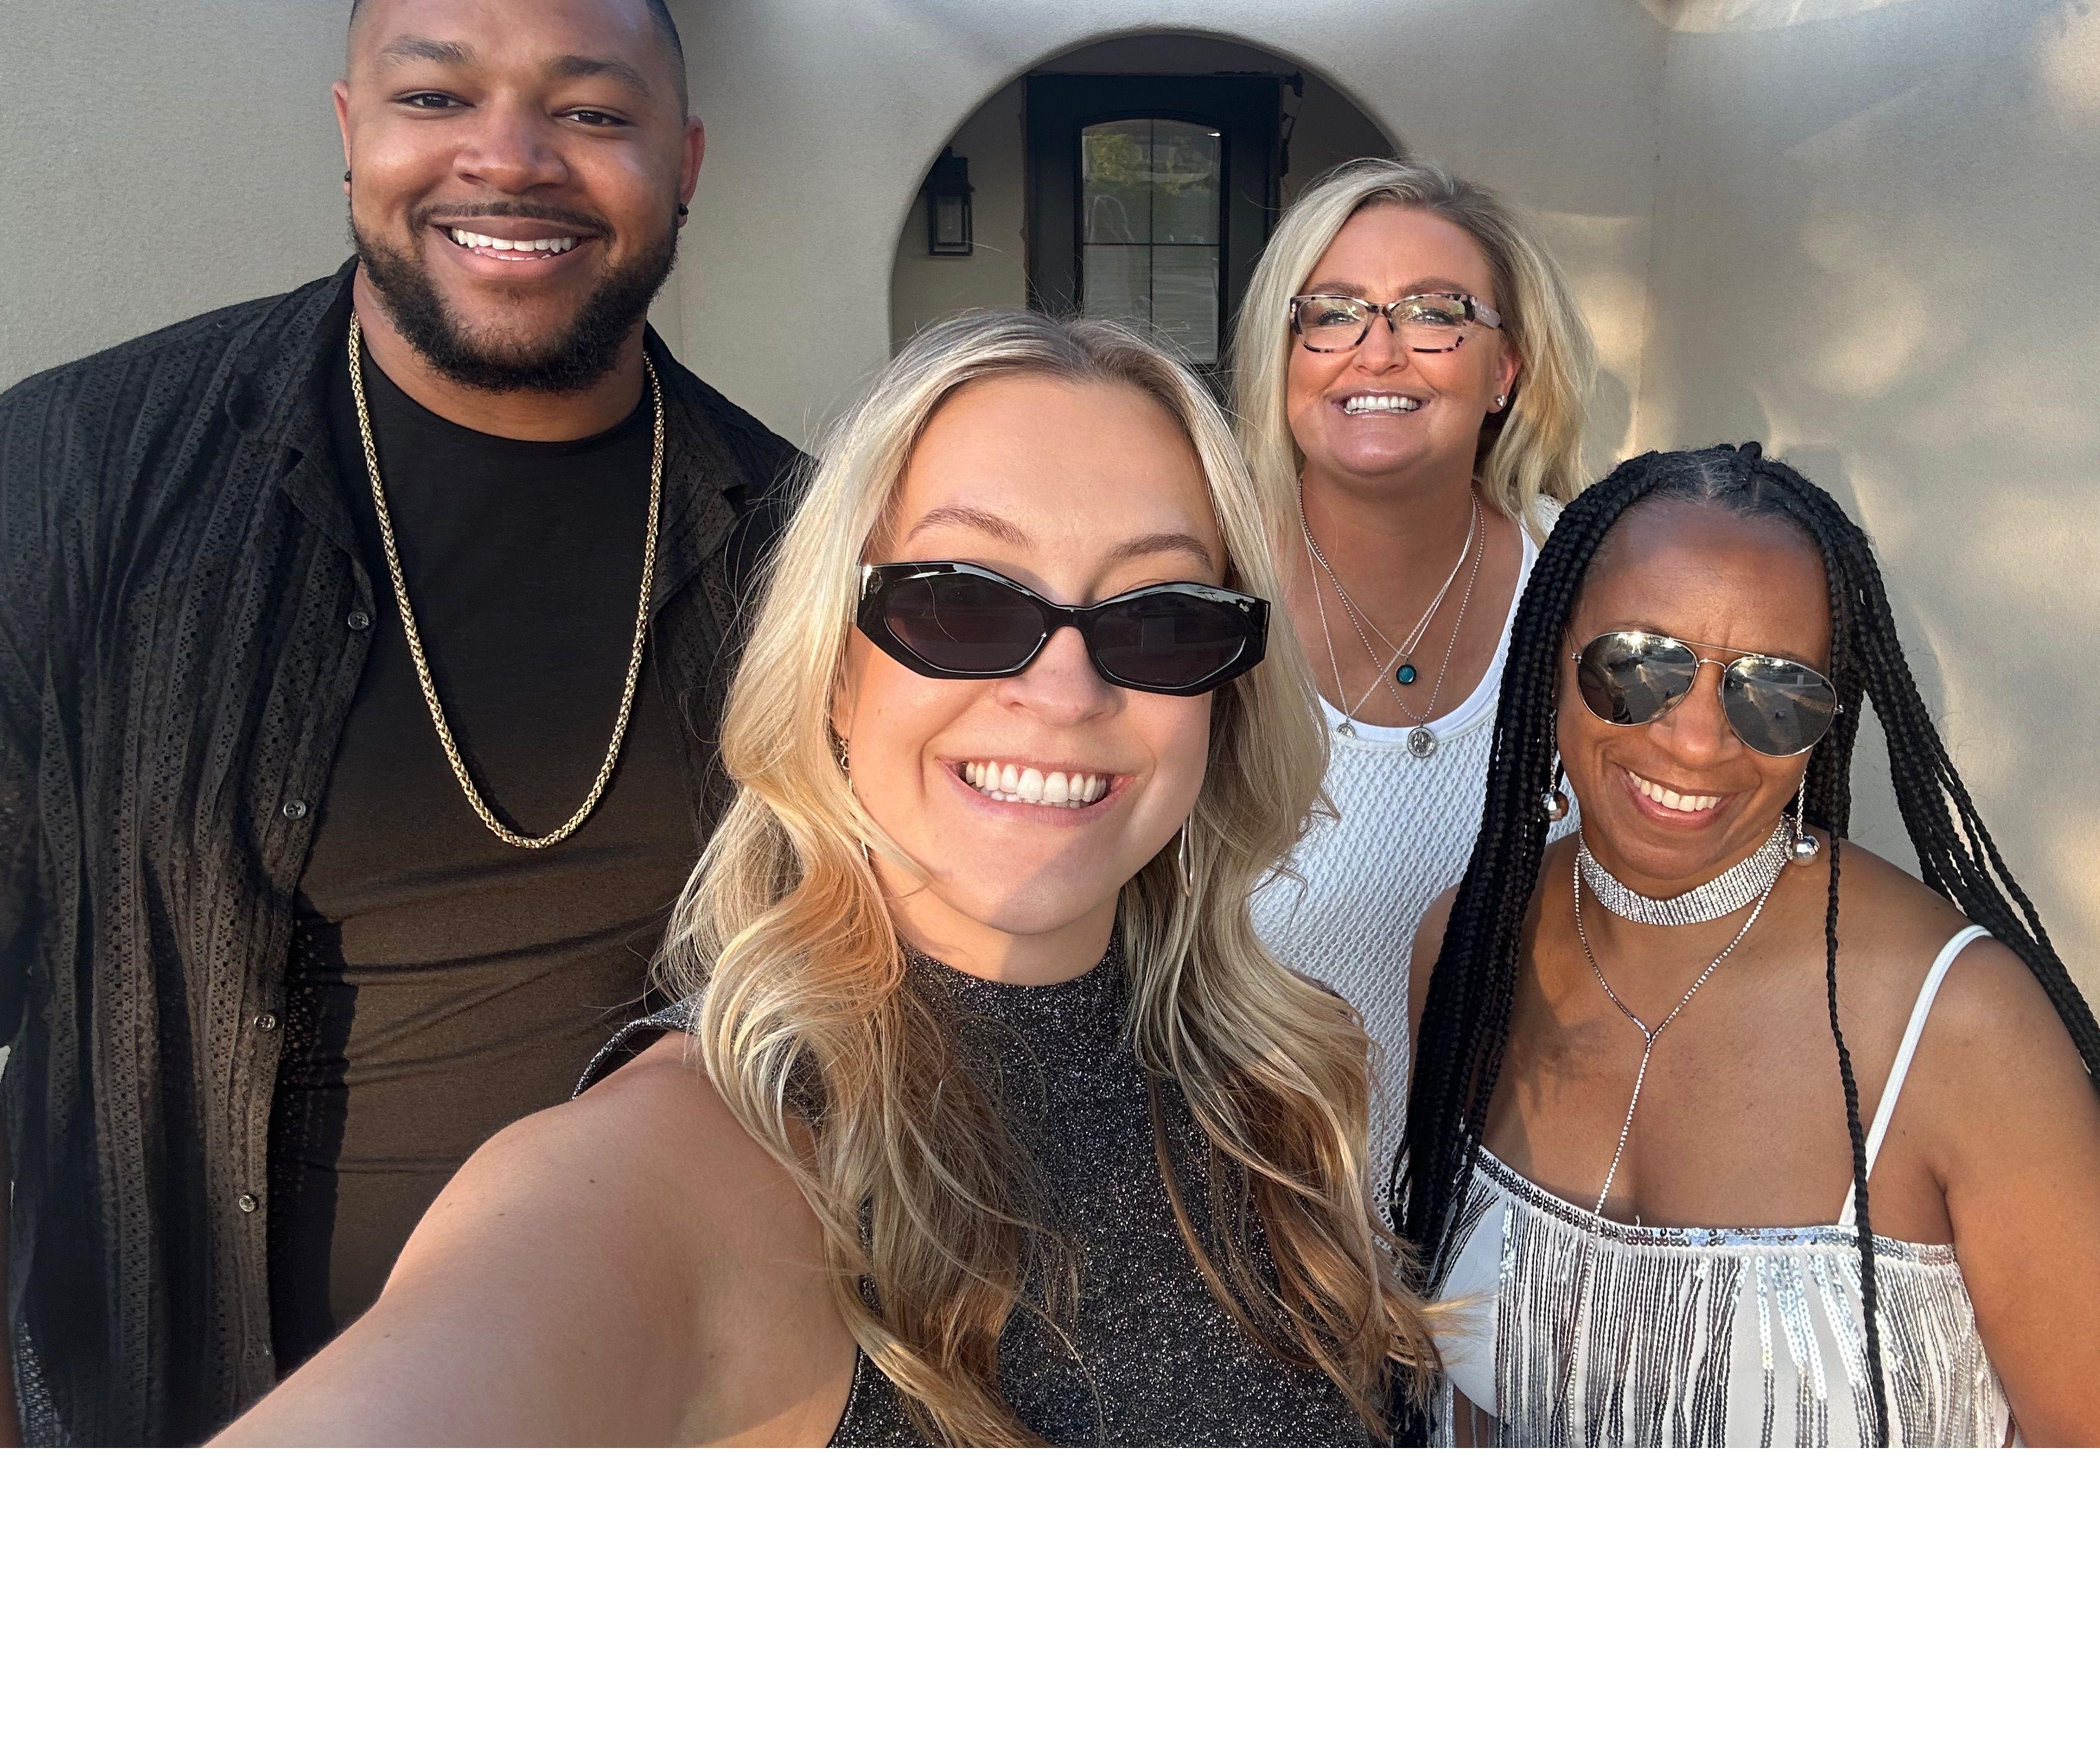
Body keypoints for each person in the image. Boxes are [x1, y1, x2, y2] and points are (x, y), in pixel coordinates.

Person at [215, 310, 1439, 1446]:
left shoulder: (1282, 1077)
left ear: (1224, 690)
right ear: (837, 668)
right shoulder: (693, 1160)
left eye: (1158, 617)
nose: (1066, 692)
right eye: (961, 602)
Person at [0, 0, 805, 1446]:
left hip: (660, 1420)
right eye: (436, 95)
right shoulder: (77, 472)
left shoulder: (795, 545)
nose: (509, 159)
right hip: (168, 1411)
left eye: (592, 113)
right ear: (351, 130)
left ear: (684, 163)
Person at [1398, 443, 2100, 1446]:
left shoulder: (1958, 1024)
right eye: (1639, 665)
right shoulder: (1473, 950)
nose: (1697, 739)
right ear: (1549, 657)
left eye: (1774, 693)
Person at [1233, 160, 1597, 1201]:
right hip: (1242, 1225)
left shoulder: (1594, 586)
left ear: (1506, 369)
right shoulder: (1192, 593)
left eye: (1436, 314)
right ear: (1283, 357)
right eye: (1332, 313)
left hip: (1518, 1220)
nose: (1378, 349)